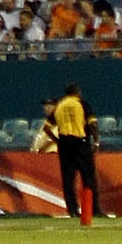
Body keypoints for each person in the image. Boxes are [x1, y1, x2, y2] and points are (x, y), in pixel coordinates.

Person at [51, 82, 98, 226]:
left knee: (68, 178)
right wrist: (95, 141)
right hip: (80, 143)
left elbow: (47, 127)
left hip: (64, 144)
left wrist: (57, 140)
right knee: (88, 176)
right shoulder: (82, 104)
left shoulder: (59, 105)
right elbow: (92, 124)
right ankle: (92, 209)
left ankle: (72, 210)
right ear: (77, 92)